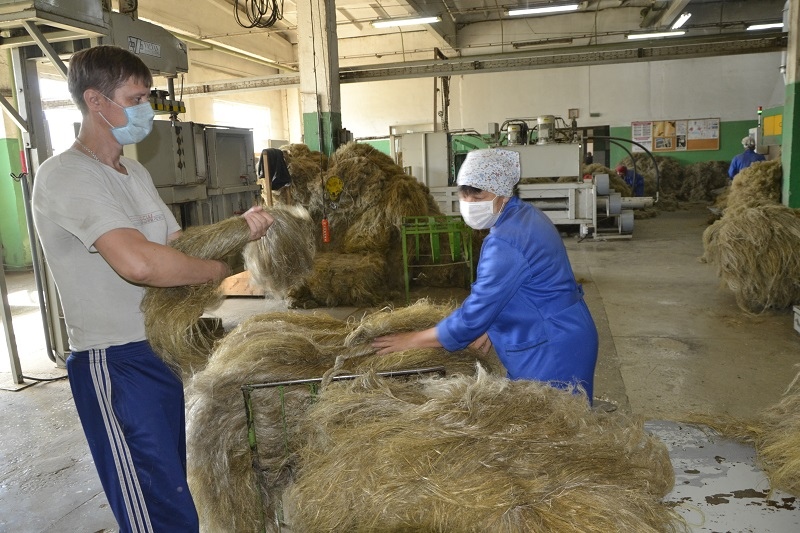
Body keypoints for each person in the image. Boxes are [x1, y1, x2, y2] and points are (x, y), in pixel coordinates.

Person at [31, 45, 273, 532]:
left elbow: (176, 243)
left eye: (148, 98)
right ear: (97, 101)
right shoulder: (66, 175)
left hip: (156, 349)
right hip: (114, 363)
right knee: (152, 507)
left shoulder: (133, 172)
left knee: (170, 488)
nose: (147, 110)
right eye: (136, 98)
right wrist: (213, 272)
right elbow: (140, 263)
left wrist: (240, 230)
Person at [372, 148, 599, 402]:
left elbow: (472, 317)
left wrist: (413, 340)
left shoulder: (506, 242)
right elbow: (520, 288)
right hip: (563, 328)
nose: (469, 201)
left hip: (552, 348)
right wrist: (490, 326)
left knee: (555, 430)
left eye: (478, 193)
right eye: (464, 193)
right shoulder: (525, 217)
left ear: (502, 192)